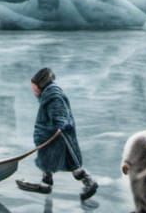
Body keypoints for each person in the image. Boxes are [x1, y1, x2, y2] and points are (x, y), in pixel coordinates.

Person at [17, 68, 98, 201]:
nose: (33, 90)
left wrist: (59, 128)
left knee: (67, 161)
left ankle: (88, 181)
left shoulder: (53, 96)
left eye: (34, 87)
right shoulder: (48, 94)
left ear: (41, 84)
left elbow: (60, 115)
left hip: (56, 137)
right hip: (50, 135)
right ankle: (47, 183)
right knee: (49, 160)